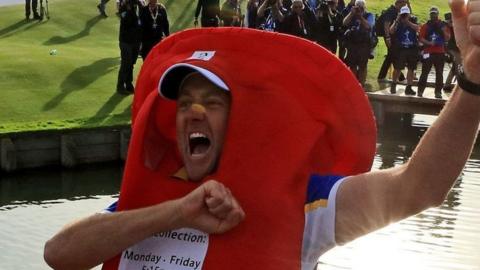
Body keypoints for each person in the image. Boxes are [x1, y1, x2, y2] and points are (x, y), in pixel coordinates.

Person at [44, 0, 480, 269]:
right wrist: (179, 212)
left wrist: (473, 77)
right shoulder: (152, 195)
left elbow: (417, 187)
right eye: (184, 102)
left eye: (212, 103)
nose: (193, 112)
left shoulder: (305, 205)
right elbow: (60, 253)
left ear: (244, 122)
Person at [417, 6, 451, 98]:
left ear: (437, 14)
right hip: (428, 52)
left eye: (434, 13)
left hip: (440, 52)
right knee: (424, 72)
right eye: (432, 14)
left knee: (439, 73)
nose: (433, 15)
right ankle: (420, 91)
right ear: (430, 14)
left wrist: (444, 31)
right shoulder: (425, 26)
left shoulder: (443, 25)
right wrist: (429, 43)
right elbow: (420, 38)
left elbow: (448, 38)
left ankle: (438, 92)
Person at [342, 0, 374, 87]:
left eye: (361, 7)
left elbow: (369, 26)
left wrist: (360, 17)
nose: (359, 9)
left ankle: (362, 85)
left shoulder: (369, 15)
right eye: (357, 6)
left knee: (363, 66)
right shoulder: (352, 15)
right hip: (353, 44)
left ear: (364, 7)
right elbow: (344, 23)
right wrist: (351, 14)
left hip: (364, 44)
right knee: (352, 65)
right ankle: (353, 85)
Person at [389, 5, 419, 95]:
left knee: (411, 69)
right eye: (403, 14)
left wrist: (408, 22)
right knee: (397, 68)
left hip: (412, 49)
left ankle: (408, 88)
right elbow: (391, 31)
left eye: (406, 14)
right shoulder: (398, 22)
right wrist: (397, 20)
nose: (405, 16)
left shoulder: (413, 20)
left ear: (409, 14)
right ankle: (393, 85)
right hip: (401, 49)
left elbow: (418, 28)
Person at [377, 0, 410, 82]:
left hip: (394, 37)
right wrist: (388, 37)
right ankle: (383, 77)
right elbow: (386, 24)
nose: (404, 6)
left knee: (391, 55)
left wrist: (408, 3)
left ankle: (399, 77)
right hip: (389, 36)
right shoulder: (391, 11)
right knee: (391, 55)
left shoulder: (397, 11)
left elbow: (409, 13)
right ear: (398, 3)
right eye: (403, 4)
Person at [116, 0, 142, 95]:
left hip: (136, 40)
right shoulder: (123, 5)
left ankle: (128, 83)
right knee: (126, 62)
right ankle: (120, 85)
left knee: (131, 63)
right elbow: (127, 20)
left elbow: (143, 19)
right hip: (125, 40)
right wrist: (130, 9)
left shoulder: (140, 4)